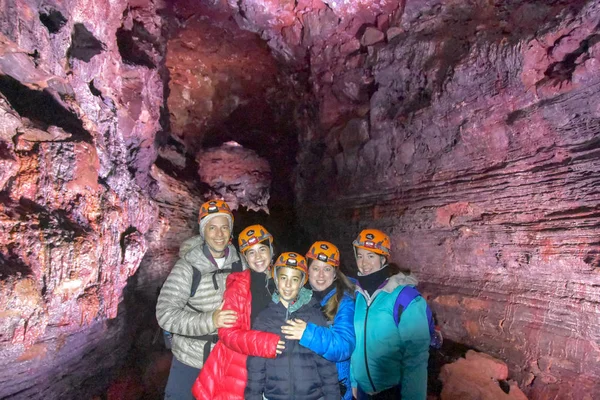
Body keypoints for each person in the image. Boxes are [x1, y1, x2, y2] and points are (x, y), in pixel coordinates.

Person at [156, 199, 243, 399]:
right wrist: (211, 320)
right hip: (190, 361)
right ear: (203, 231)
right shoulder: (187, 267)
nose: (219, 234)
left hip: (228, 359)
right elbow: (165, 314)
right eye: (212, 227)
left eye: (224, 227)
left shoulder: (241, 262)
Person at [192, 225, 285, 399]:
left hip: (278, 371)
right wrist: (266, 343)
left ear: (271, 250)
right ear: (245, 257)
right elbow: (227, 334)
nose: (258, 257)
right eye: (251, 252)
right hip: (240, 370)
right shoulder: (238, 287)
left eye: (262, 249)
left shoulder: (285, 282)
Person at [245, 252, 340, 400]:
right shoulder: (264, 319)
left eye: (294, 279)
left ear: (302, 282)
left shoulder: (314, 316)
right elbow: (255, 368)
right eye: (283, 278)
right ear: (276, 280)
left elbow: (326, 366)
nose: (288, 285)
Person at [350, 229, 430, 400]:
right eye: (360, 256)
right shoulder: (358, 295)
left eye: (371, 256)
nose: (364, 263)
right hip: (363, 391)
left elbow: (416, 357)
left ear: (383, 259)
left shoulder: (405, 297)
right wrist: (355, 382)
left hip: (393, 392)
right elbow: (356, 343)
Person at [281, 241, 356, 400]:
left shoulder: (345, 302)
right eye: (316, 268)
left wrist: (307, 333)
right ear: (307, 270)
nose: (321, 275)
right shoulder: (299, 298)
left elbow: (344, 345)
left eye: (327, 269)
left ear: (335, 273)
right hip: (305, 388)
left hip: (334, 389)